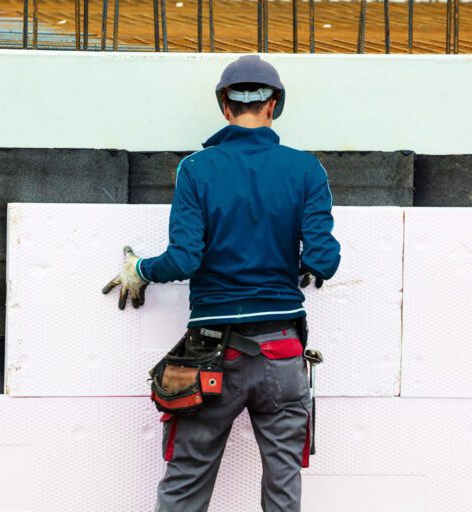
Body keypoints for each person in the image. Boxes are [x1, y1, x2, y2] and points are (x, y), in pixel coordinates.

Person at [103, 54, 341, 512]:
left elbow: (185, 258)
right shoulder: (307, 170)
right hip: (283, 352)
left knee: (186, 482)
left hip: (214, 352)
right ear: (274, 106)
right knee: (283, 487)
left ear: (224, 107)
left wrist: (140, 270)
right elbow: (323, 261)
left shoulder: (197, 169)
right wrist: (296, 260)